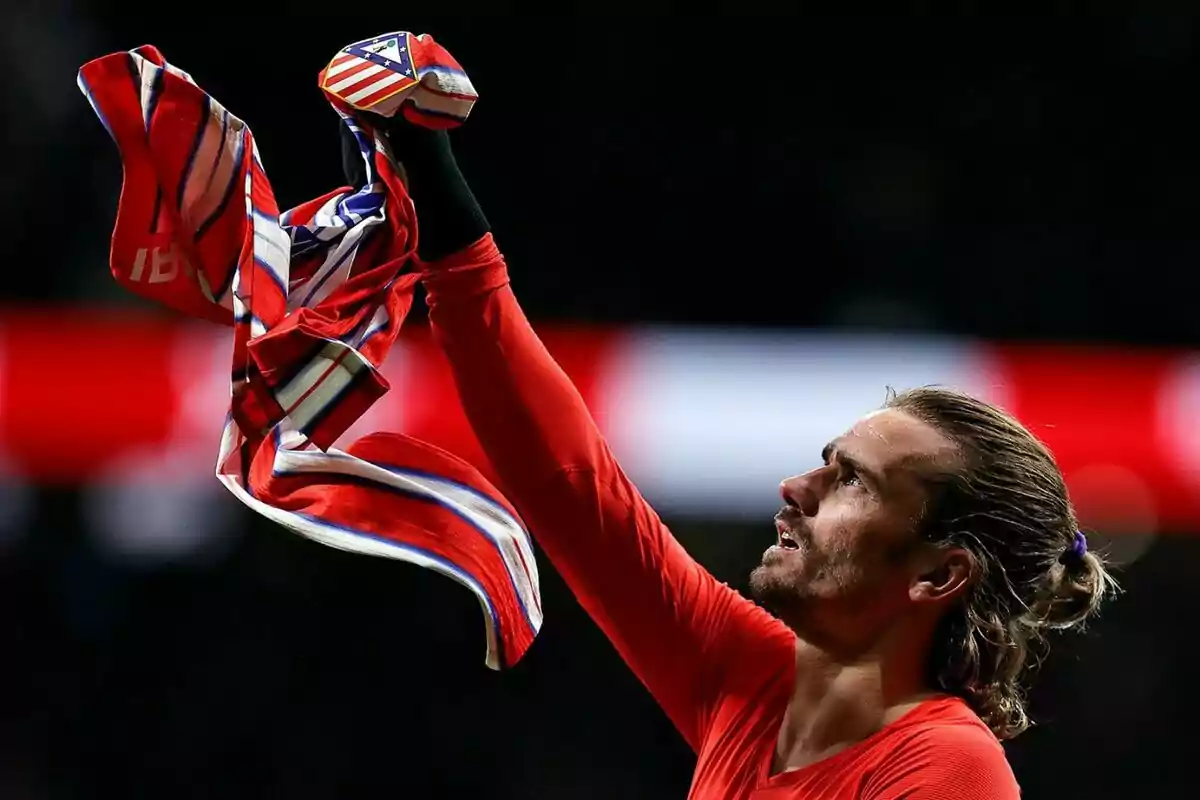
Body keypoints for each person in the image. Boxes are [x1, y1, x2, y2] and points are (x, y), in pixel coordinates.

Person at [354, 120, 1118, 799]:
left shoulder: (950, 773)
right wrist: (422, 159)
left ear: (939, 574)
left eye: (851, 480)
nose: (796, 486)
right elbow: (570, 482)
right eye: (826, 461)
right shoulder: (748, 676)